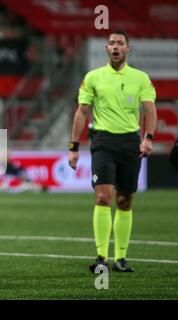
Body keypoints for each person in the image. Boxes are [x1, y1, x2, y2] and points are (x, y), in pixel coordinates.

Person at [67, 30, 157, 273]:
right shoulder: (93, 77)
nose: (115, 46)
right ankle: (101, 257)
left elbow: (149, 110)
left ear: (128, 49)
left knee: (125, 200)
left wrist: (147, 138)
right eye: (111, 43)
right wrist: (74, 147)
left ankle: (121, 258)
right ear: (107, 49)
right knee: (103, 197)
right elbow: (82, 113)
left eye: (120, 43)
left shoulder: (141, 78)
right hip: (103, 142)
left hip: (129, 142)